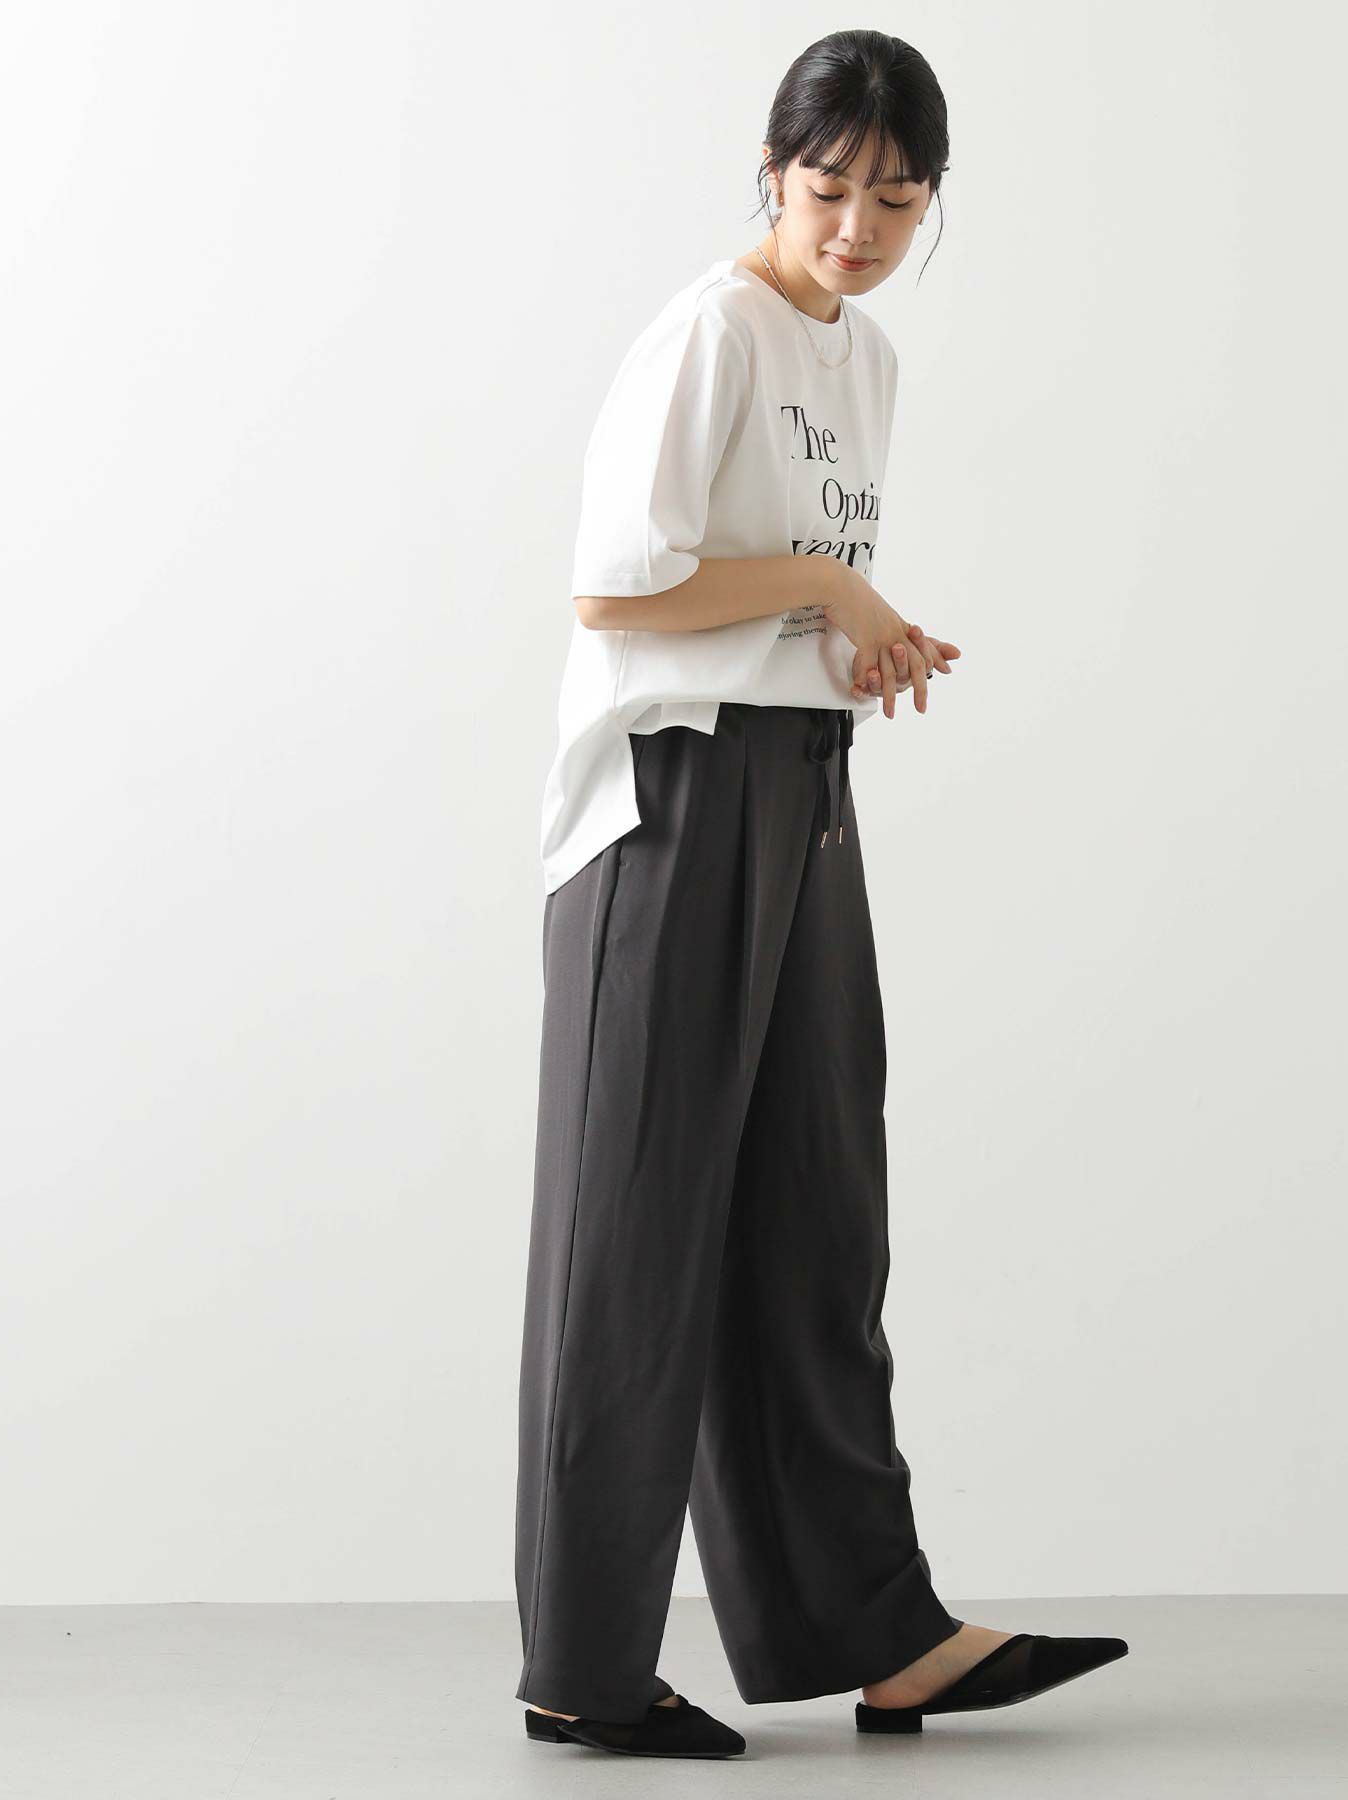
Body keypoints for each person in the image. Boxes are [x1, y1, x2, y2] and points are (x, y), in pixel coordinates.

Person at [513, 28, 1127, 1761]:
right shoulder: (714, 331)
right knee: (635, 1238)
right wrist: (827, 593)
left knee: (815, 1214)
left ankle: (878, 1630)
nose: (859, 226)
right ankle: (584, 1663)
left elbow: (780, 591)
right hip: (668, 801)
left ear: (933, 203)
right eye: (830, 185)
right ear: (773, 174)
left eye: (898, 197)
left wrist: (861, 638)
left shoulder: (867, 361)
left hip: (798, 780)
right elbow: (616, 591)